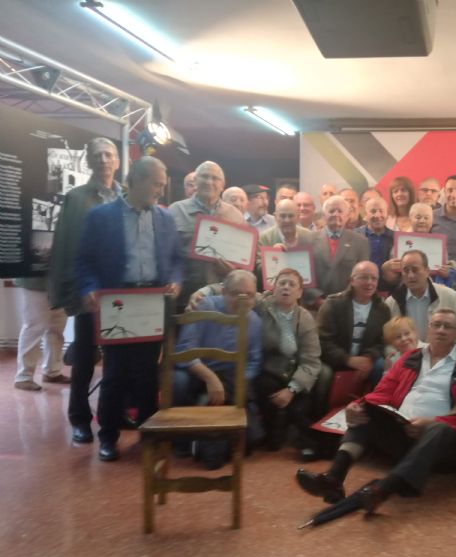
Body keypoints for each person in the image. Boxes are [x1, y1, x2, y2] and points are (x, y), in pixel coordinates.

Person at [295, 309, 456, 513]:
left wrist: (429, 424)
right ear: (428, 329)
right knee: (365, 409)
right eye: (436, 325)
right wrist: (356, 406)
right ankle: (334, 478)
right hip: (404, 432)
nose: (440, 330)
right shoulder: (410, 357)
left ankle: (384, 489)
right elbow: (382, 392)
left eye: (447, 326)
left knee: (440, 429)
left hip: (440, 445)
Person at [75, 156, 183, 461]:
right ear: (136, 181)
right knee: (114, 373)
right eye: (156, 184)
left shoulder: (165, 218)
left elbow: (176, 260)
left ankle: (148, 433)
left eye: (162, 185)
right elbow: (84, 260)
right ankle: (108, 437)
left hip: (152, 302)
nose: (161, 191)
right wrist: (89, 288)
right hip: (117, 302)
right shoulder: (101, 217)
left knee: (147, 373)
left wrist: (176, 282)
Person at [49, 136, 122, 444]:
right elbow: (66, 246)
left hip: (120, 294)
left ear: (117, 161)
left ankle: (112, 417)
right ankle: (79, 418)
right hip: (89, 293)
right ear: (89, 161)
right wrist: (69, 293)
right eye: (98, 155)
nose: (103, 160)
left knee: (117, 361)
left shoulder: (126, 197)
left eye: (109, 154)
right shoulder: (76, 198)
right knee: (84, 358)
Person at [174, 270, 263, 468]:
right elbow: (185, 350)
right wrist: (210, 378)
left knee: (243, 388)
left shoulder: (255, 321)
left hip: (231, 377)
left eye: (249, 295)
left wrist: (237, 382)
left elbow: (253, 362)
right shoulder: (203, 306)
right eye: (235, 293)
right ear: (223, 292)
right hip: (196, 370)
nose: (242, 300)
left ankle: (208, 442)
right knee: (177, 381)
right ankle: (181, 439)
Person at [253, 269, 322, 458]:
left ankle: (306, 442)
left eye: (292, 285)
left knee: (300, 407)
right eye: (281, 283)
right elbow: (239, 287)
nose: (286, 287)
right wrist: (204, 292)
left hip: (296, 371)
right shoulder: (262, 306)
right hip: (269, 371)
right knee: (266, 386)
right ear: (273, 288)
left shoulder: (305, 318)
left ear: (299, 292)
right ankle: (274, 433)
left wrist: (292, 389)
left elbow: (311, 360)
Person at [168, 161, 240, 310]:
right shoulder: (175, 211)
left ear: (223, 185)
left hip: (223, 301)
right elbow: (166, 255)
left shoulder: (235, 216)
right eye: (204, 176)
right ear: (195, 181)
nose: (209, 182)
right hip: (184, 299)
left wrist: (234, 271)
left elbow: (244, 262)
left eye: (215, 178)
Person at [316, 261, 389, 387]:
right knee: (324, 374)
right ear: (352, 280)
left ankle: (374, 399)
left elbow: (383, 341)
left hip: (367, 360)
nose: (369, 282)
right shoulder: (333, 304)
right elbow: (322, 341)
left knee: (381, 365)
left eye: (374, 278)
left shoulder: (383, 309)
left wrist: (369, 358)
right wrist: (347, 359)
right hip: (335, 360)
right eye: (364, 277)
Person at [385, 250, 456, 352]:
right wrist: (395, 356)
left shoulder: (449, 296)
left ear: (427, 271)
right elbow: (387, 340)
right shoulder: (392, 303)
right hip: (406, 359)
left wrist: (454, 356)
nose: (410, 275)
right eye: (406, 270)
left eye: (415, 270)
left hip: (444, 358)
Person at [381, 202, 456, 289]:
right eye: (418, 217)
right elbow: (393, 276)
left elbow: (446, 266)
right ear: (410, 219)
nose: (422, 221)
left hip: (433, 288)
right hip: (406, 288)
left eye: (426, 218)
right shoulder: (401, 241)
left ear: (432, 221)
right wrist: (391, 268)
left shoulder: (438, 243)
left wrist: (446, 273)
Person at [13, 276, 68, 391]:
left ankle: (52, 372)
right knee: (34, 327)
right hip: (35, 281)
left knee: (56, 329)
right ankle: (23, 377)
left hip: (61, 282)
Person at [310, 195, 370, 301]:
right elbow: (304, 276)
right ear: (323, 215)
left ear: (347, 216)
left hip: (348, 303)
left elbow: (362, 276)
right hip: (315, 305)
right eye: (331, 211)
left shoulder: (361, 242)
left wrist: (343, 299)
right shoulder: (308, 240)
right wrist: (317, 299)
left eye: (340, 211)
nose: (336, 214)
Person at [354, 196, 395, 291]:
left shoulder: (396, 238)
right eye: (373, 211)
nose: (377, 215)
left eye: (381, 211)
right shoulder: (354, 236)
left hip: (389, 291)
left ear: (387, 214)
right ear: (365, 215)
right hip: (361, 290)